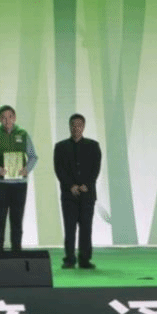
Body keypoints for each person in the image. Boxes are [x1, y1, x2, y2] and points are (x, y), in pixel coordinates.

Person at [0, 105, 38, 252]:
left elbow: (33, 156)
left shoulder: (23, 134)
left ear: (15, 117)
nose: (7, 120)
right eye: (4, 117)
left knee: (17, 220)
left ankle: (17, 252)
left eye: (10, 117)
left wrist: (27, 169)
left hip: (19, 184)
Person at [53, 113, 102, 269]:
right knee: (70, 228)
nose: (76, 128)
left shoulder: (93, 146)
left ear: (84, 127)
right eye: (73, 125)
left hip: (87, 194)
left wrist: (87, 184)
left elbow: (96, 168)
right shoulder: (60, 147)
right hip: (69, 195)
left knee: (86, 228)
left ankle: (85, 259)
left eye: (79, 125)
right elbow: (59, 169)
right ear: (69, 126)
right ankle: (69, 258)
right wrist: (70, 186)